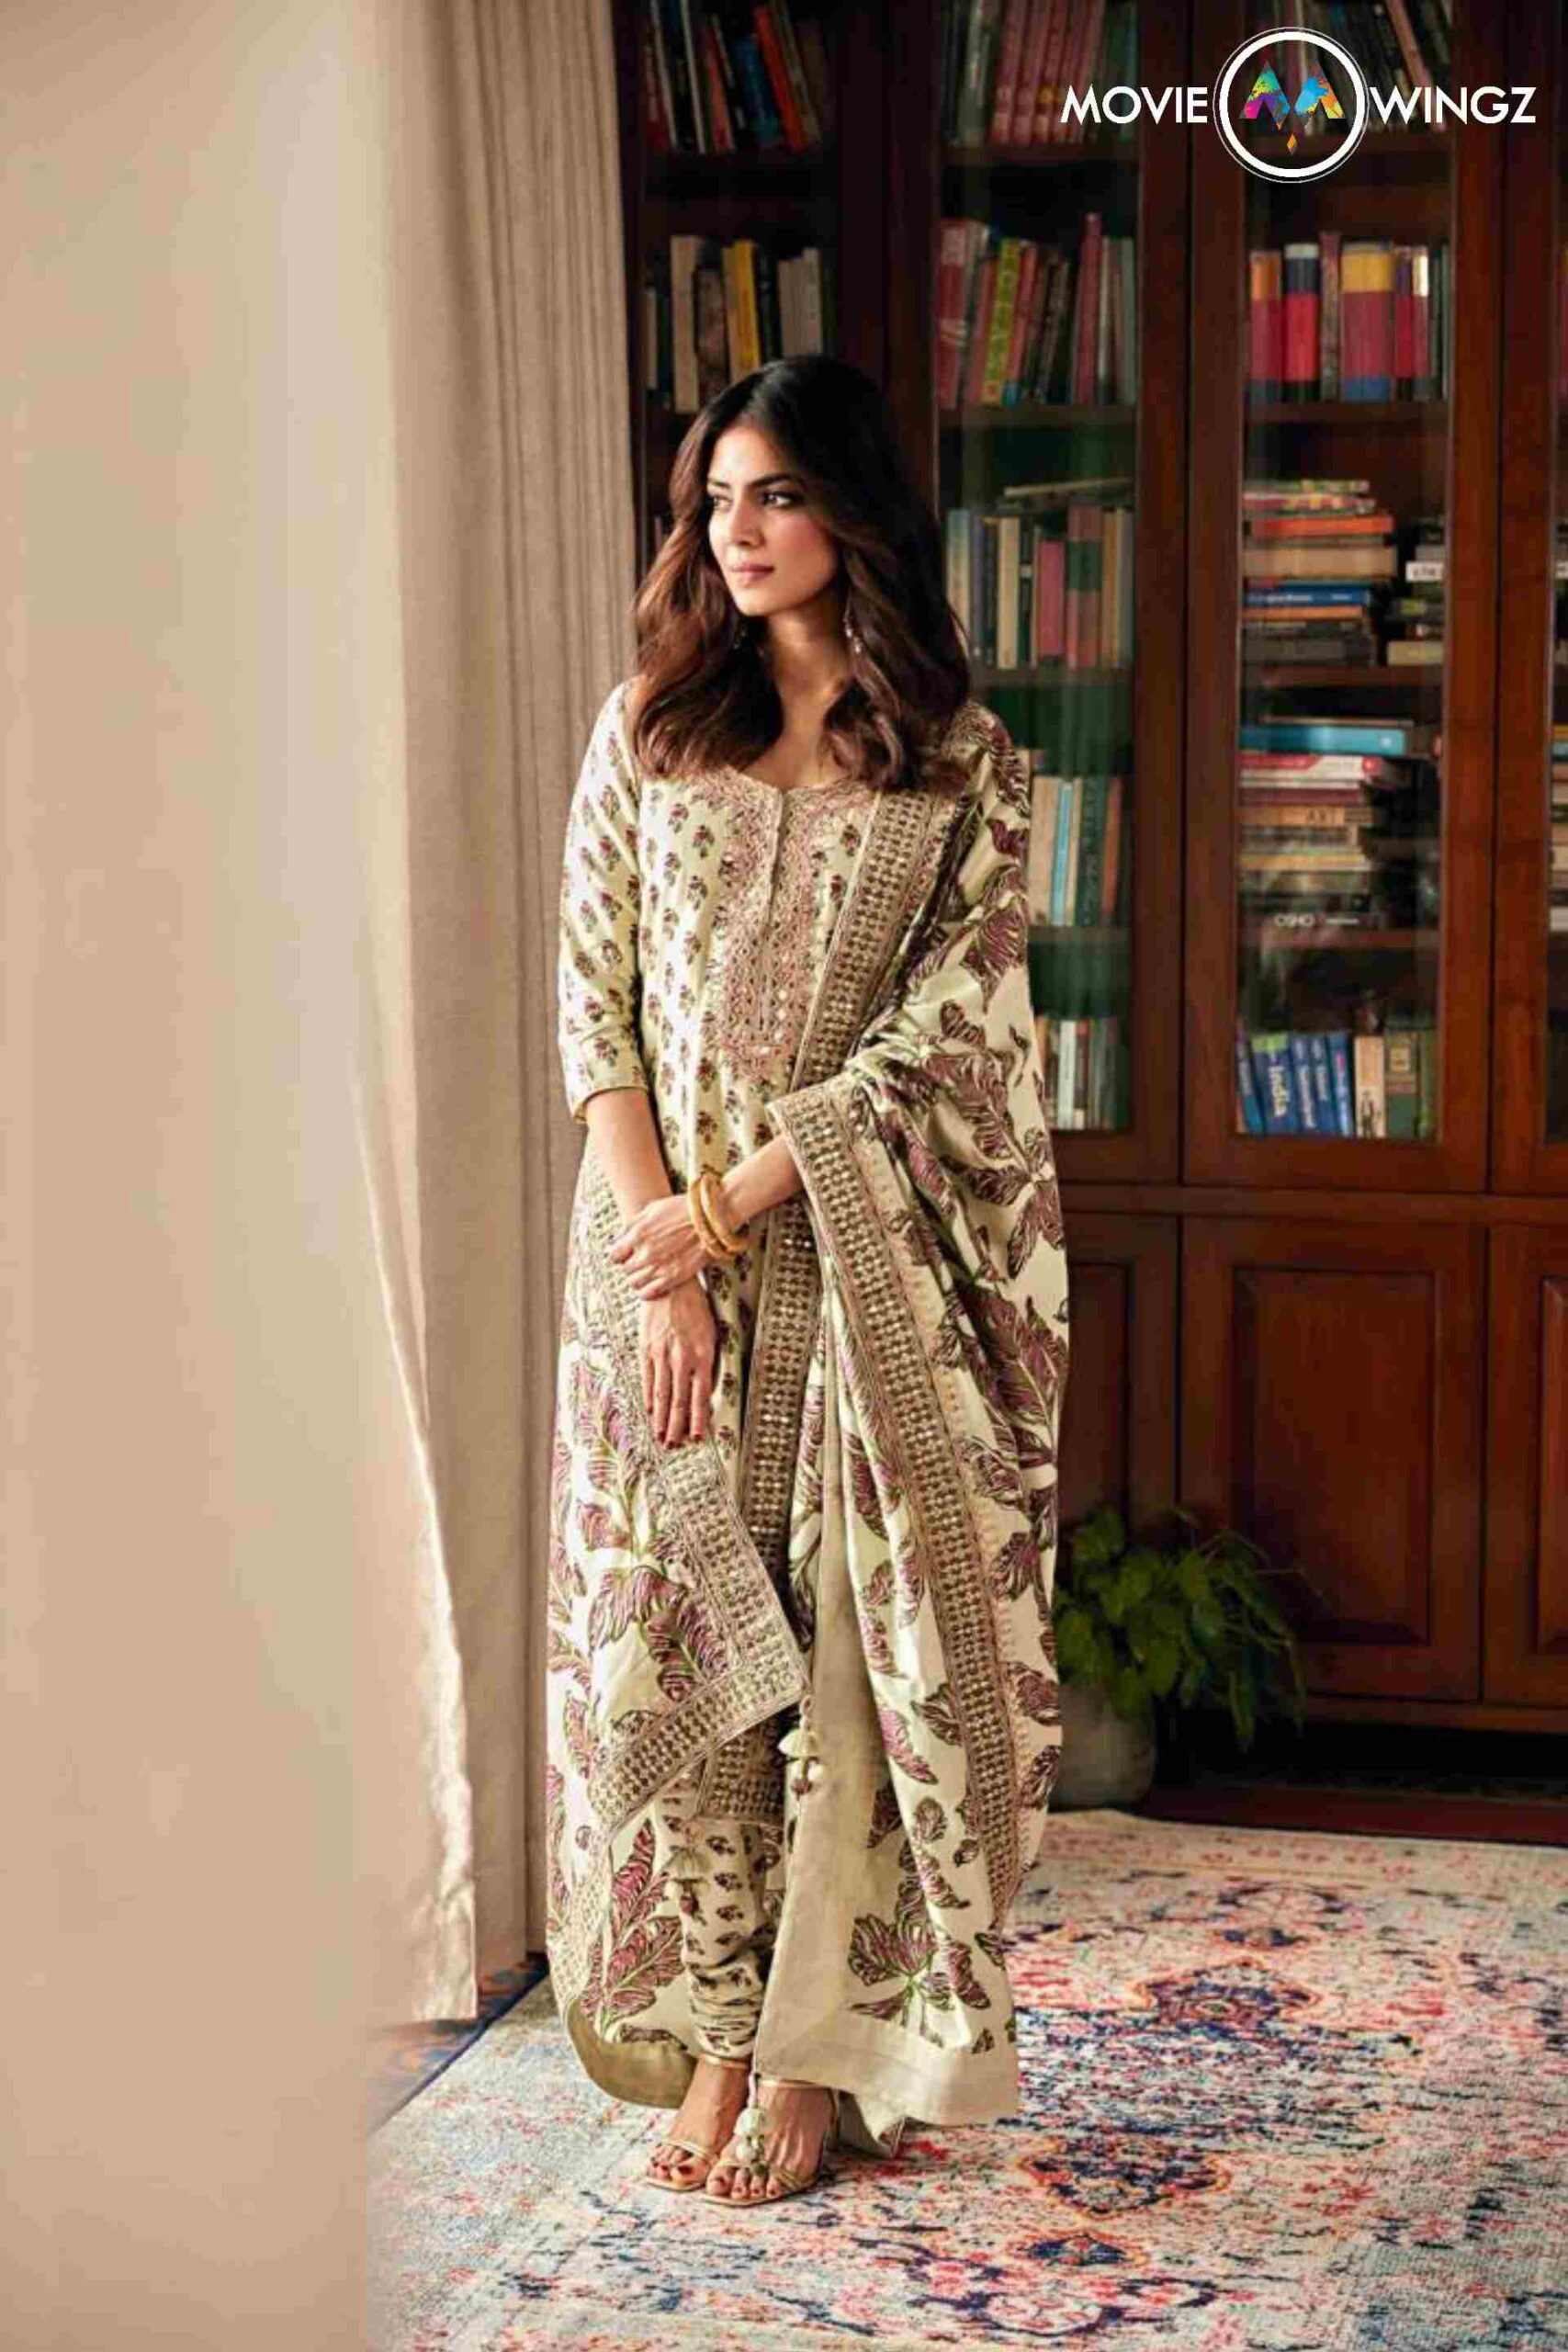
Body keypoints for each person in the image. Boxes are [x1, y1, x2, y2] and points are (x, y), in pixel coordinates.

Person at [547, 354, 1069, 2211]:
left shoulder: (961, 762)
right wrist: (664, 1260)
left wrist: (741, 1202)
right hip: (655, 1286)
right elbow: (593, 1006)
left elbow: (954, 1035)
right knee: (682, 1647)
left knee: (845, 1669)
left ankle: (806, 2053)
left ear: (852, 508)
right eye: (715, 500)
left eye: (772, 494)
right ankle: (708, 2034)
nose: (737, 531)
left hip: (860, 1275)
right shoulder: (646, 730)